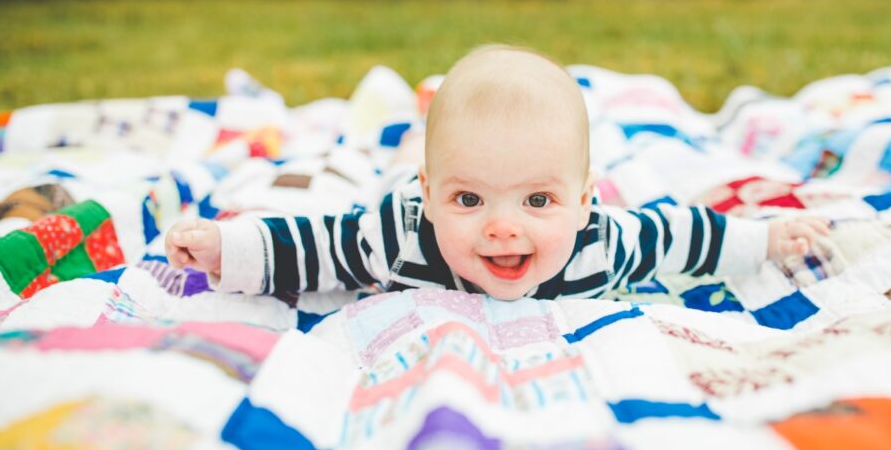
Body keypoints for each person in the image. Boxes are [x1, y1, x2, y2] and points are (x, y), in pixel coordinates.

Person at [166, 45, 829, 301]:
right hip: (405, 185)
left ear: (584, 199)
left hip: (444, 181)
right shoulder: (401, 234)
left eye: (538, 199)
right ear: (432, 202)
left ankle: (413, 125)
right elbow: (316, 244)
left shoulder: (603, 241)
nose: (502, 226)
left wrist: (766, 239)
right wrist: (227, 247)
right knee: (389, 169)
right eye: (470, 198)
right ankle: (399, 125)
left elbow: (684, 235)